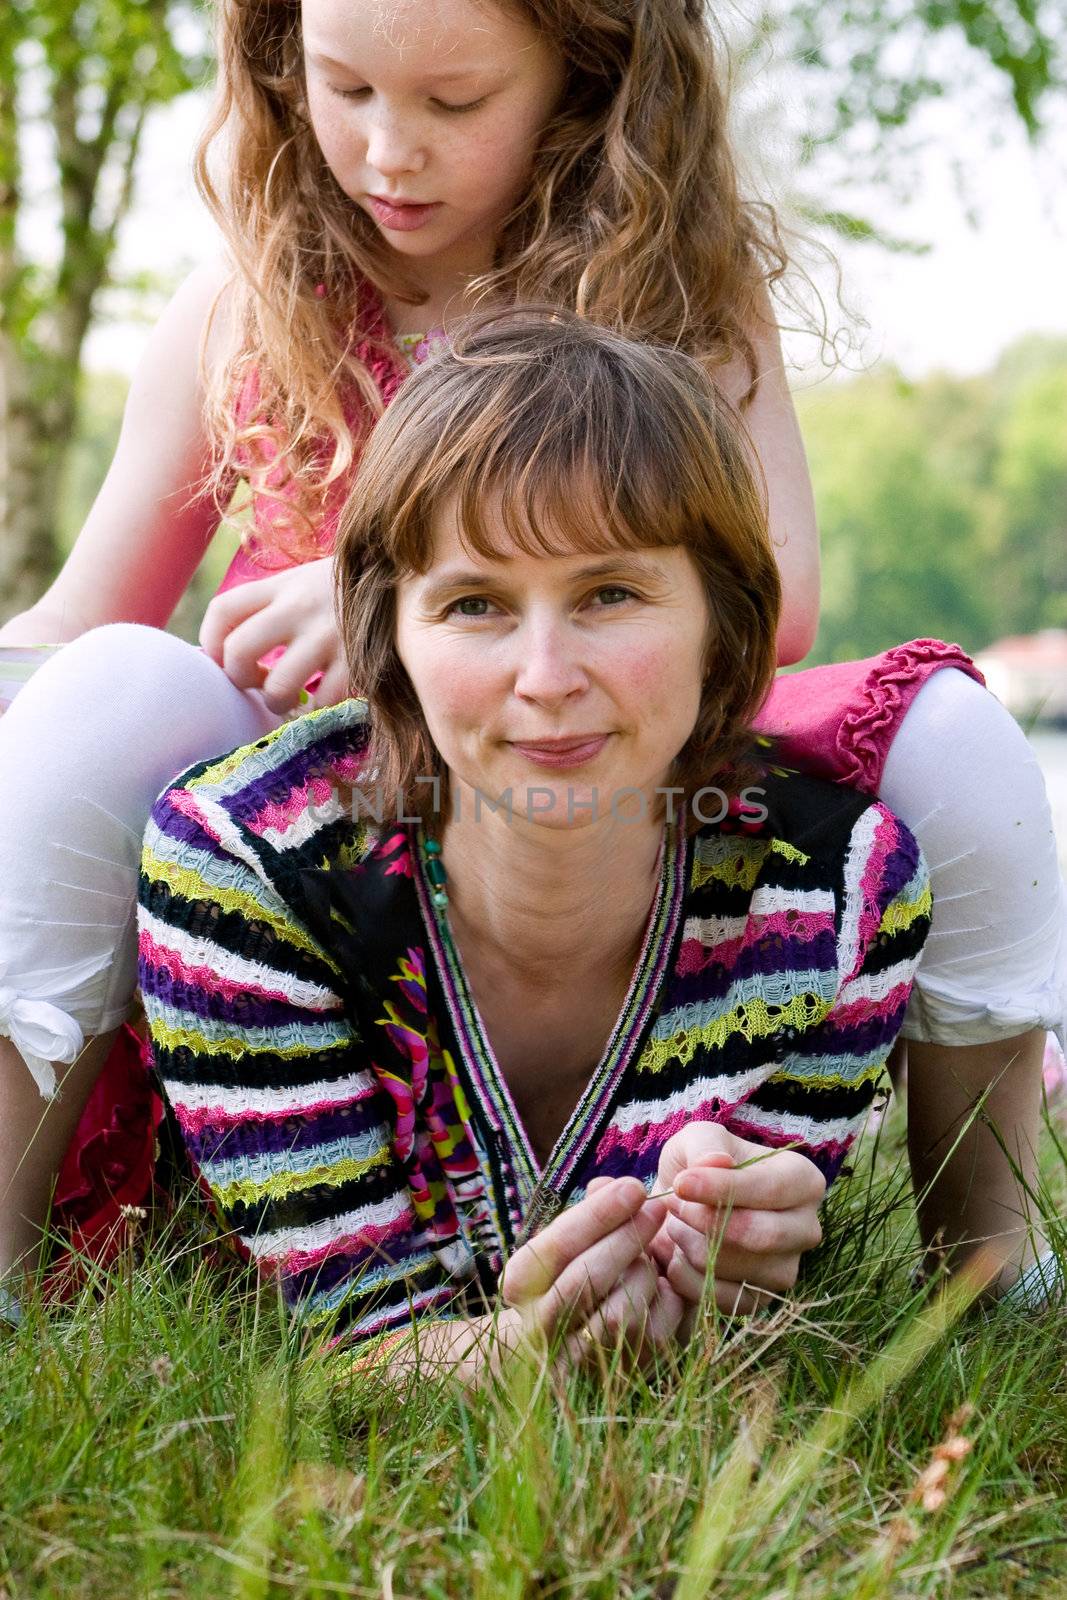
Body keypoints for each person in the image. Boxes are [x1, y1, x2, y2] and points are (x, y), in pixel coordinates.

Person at [0, 0, 1061, 1317]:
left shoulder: (674, 283)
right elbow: (77, 617)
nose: (389, 151)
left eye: (453, 105)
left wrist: (399, 578)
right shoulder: (247, 303)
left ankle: (989, 1248)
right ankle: (17, 1236)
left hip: (616, 728)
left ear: (587, 74)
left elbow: (773, 587)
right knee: (103, 696)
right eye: (346, 91)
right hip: (326, 780)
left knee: (956, 739)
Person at [137, 312, 936, 1373]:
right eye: (474, 604)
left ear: (723, 620)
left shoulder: (840, 899)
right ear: (390, 641)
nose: (546, 678)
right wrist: (517, 1353)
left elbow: (737, 1296)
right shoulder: (244, 870)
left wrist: (741, 1243)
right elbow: (349, 1347)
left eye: (608, 593)